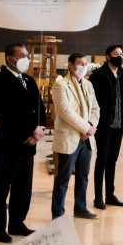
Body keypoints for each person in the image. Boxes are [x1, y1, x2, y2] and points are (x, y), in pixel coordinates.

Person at [0, 43, 46, 243]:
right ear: (9, 59)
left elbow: (40, 107)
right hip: (11, 141)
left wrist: (40, 129)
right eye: (22, 55)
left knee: (23, 187)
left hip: (30, 143)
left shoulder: (29, 81)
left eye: (27, 55)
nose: (26, 58)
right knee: (3, 187)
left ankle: (17, 222)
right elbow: (6, 111)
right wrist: (29, 130)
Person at [50, 52, 101, 219]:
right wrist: (86, 127)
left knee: (83, 175)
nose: (83, 67)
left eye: (86, 64)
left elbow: (95, 109)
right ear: (70, 65)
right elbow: (65, 112)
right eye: (80, 63)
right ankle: (58, 212)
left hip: (86, 139)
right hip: (69, 137)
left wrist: (91, 126)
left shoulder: (88, 84)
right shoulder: (61, 85)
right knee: (63, 178)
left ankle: (80, 208)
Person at [88, 44, 123, 210]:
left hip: (119, 124)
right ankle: (98, 197)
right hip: (104, 124)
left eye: (120, 53)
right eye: (115, 53)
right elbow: (93, 101)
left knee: (113, 160)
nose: (119, 56)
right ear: (107, 56)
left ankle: (110, 195)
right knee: (102, 160)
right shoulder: (98, 75)